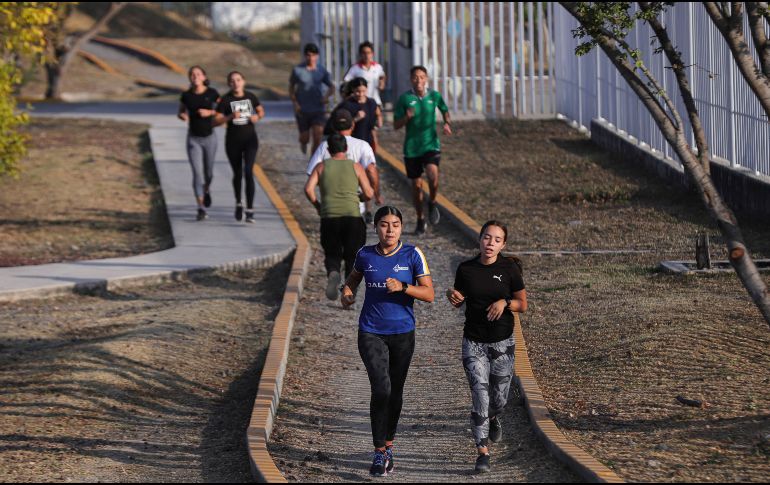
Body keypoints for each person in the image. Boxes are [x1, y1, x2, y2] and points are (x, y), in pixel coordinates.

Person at [341, 206, 434, 477]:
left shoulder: (413, 254)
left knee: (395, 392)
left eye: (395, 224)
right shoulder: (365, 254)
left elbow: (429, 294)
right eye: (384, 224)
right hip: (371, 331)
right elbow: (353, 280)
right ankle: (379, 451)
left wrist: (404, 287)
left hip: (403, 333)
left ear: (401, 227)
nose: (389, 230)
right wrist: (346, 292)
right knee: (381, 388)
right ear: (375, 227)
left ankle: (389, 444)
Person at [446, 220, 528, 473]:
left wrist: (505, 302)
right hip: (474, 343)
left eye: (496, 240)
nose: (490, 243)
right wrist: (452, 296)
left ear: (503, 244)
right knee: (480, 398)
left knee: (499, 400)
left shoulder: (509, 269)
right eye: (486, 237)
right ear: (480, 239)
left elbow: (522, 304)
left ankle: (494, 417)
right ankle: (483, 453)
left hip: (503, 343)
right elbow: (459, 300)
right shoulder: (466, 269)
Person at [304, 134, 374, 300]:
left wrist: (318, 206)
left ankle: (333, 272)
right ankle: (349, 292)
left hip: (329, 217)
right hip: (352, 217)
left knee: (332, 253)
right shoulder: (356, 167)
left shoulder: (321, 167)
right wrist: (360, 198)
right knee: (353, 255)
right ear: (346, 149)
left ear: (328, 150)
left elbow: (308, 189)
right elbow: (369, 193)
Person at [393, 65, 452, 235]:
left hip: (430, 145)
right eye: (415, 77)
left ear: (426, 79)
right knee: (417, 185)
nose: (418, 80)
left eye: (421, 77)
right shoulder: (404, 99)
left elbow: (445, 110)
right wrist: (407, 117)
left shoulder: (434, 96)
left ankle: (432, 202)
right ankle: (420, 218)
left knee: (433, 177)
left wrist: (447, 123)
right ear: (411, 79)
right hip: (412, 149)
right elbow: (396, 125)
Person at [307, 109, 383, 219]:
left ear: (333, 127)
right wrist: (375, 194)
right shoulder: (363, 146)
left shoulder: (324, 146)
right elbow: (371, 171)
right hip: (354, 208)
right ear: (353, 125)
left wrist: (319, 204)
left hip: (329, 209)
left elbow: (311, 175)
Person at [214, 71, 265, 223]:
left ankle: (250, 209)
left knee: (248, 171)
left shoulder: (250, 96)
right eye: (232, 81)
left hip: (250, 140)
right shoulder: (225, 99)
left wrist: (257, 116)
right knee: (237, 173)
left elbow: (261, 110)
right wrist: (230, 117)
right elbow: (216, 121)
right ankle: (238, 203)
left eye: (238, 80)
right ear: (229, 84)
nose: (236, 83)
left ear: (243, 81)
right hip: (233, 141)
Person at [178, 65, 219, 221]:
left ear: (204, 77)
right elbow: (181, 111)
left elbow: (223, 109)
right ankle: (201, 207)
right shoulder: (186, 95)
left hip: (209, 138)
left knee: (208, 173)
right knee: (197, 173)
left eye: (198, 74)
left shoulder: (212, 93)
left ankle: (206, 189)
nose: (195, 76)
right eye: (192, 74)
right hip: (193, 139)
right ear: (190, 78)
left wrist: (210, 112)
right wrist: (183, 116)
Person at [289, 43, 334, 155]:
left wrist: (326, 97)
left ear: (317, 56)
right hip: (302, 109)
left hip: (318, 109)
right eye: (308, 55)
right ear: (305, 56)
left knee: (318, 136)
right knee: (305, 137)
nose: (311, 58)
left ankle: (313, 161)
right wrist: (295, 103)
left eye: (313, 55)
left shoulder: (321, 70)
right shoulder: (297, 70)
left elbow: (332, 87)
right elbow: (291, 87)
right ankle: (303, 142)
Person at [342, 41, 386, 107]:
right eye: (364, 53)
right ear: (360, 54)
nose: (366, 56)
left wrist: (382, 83)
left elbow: (382, 76)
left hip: (375, 101)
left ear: (372, 54)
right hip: (360, 103)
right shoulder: (355, 68)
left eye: (368, 53)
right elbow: (346, 81)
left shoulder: (377, 67)